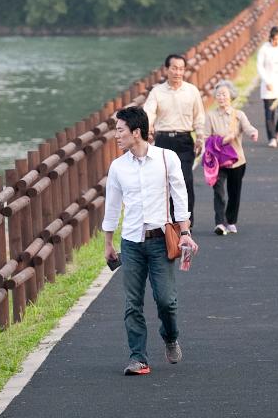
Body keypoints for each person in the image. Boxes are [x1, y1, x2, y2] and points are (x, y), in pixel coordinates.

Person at [102, 105, 194, 375]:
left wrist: (185, 232)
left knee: (166, 301)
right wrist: (109, 242)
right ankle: (138, 357)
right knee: (132, 303)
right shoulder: (118, 167)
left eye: (120, 130)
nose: (116, 136)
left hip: (160, 241)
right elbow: (112, 206)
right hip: (131, 243)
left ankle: (170, 336)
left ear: (136, 132)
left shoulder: (167, 158)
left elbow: (180, 197)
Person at [142, 54, 205, 227]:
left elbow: (199, 116)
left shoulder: (191, 91)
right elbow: (149, 112)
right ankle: (169, 222)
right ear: (166, 69)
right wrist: (148, 127)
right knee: (164, 183)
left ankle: (186, 222)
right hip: (163, 141)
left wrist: (200, 137)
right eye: (174, 68)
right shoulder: (157, 91)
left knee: (185, 180)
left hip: (184, 140)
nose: (178, 72)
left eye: (181, 68)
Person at [204, 79, 258, 235]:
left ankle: (231, 221)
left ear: (231, 96)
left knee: (234, 193)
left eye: (224, 94)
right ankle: (220, 222)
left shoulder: (238, 115)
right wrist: (222, 140)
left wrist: (253, 132)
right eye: (218, 94)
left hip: (237, 161)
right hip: (217, 161)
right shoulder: (210, 116)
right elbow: (207, 137)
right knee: (219, 192)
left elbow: (247, 127)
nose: (221, 97)